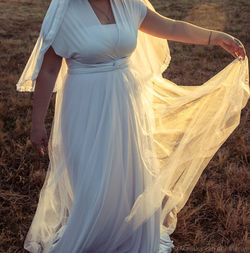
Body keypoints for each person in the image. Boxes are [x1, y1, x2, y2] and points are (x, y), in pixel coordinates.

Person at [16, 0, 249, 252]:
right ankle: (93, 239)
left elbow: (171, 27)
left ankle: (126, 237)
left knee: (128, 175)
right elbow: (49, 69)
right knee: (93, 180)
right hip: (85, 106)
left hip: (127, 103)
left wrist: (216, 37)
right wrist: (37, 123)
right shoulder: (64, 12)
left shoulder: (128, 4)